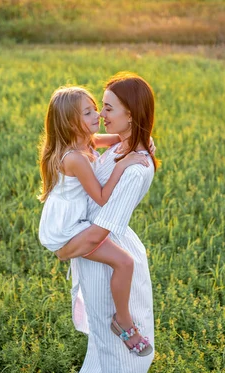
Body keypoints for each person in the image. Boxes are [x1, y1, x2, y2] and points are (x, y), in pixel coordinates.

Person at [54, 72, 159, 373]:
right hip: (96, 248)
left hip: (102, 249)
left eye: (109, 108)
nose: (101, 115)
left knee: (115, 346)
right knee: (102, 335)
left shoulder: (136, 167)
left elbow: (101, 229)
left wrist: (65, 250)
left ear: (131, 114)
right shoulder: (122, 148)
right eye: (100, 107)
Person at [37, 86, 153, 358]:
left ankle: (122, 320)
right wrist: (123, 164)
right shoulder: (75, 158)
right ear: (69, 123)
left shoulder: (86, 141)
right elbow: (102, 198)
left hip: (70, 218)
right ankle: (123, 323)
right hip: (66, 229)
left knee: (124, 261)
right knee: (124, 263)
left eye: (97, 108)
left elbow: (116, 138)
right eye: (88, 112)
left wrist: (139, 142)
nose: (98, 114)